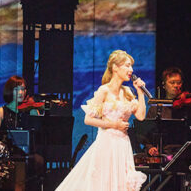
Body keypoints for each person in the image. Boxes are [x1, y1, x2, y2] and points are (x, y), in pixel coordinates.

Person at [55, 50, 148, 191]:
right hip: (107, 143)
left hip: (123, 144)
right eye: (127, 65)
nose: (131, 70)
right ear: (115, 67)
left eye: (131, 66)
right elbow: (88, 119)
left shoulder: (128, 92)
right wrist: (114, 125)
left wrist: (140, 93)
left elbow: (141, 116)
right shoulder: (104, 90)